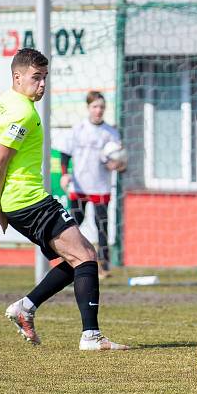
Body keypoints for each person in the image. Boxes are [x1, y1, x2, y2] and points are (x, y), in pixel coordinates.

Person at [0, 48, 128, 351]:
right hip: (28, 200)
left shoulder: (5, 101)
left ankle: (26, 307)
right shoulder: (22, 112)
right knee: (87, 257)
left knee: (81, 255)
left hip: (23, 200)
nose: (41, 85)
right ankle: (91, 336)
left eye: (45, 78)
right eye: (35, 78)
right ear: (17, 76)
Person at [60, 91, 126, 280]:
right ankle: (68, 262)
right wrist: (65, 174)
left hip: (100, 187)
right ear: (88, 108)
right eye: (95, 107)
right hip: (79, 187)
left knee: (102, 226)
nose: (98, 110)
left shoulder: (111, 133)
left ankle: (104, 266)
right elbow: (65, 154)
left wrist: (118, 164)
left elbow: (120, 161)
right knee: (71, 227)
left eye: (102, 107)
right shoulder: (78, 129)